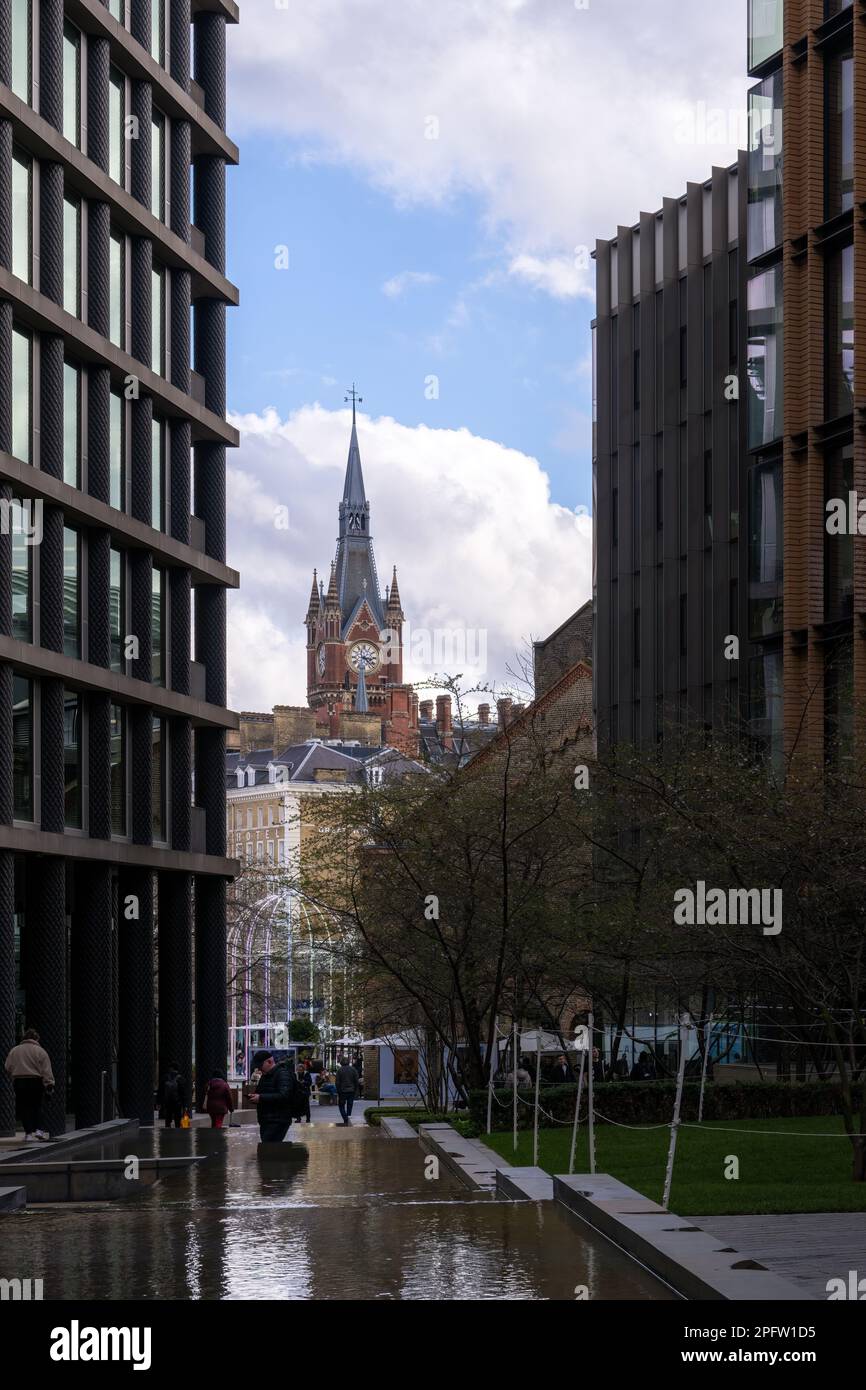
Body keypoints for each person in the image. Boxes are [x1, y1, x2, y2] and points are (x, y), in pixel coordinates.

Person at [5, 1028, 55, 1142]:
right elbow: (46, 1070)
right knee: (37, 1106)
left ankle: (28, 1133)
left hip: (19, 1082)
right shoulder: (40, 1051)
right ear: (36, 1038)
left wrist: (14, 1074)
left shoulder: (15, 1050)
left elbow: (7, 1067)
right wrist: (49, 1084)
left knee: (24, 1108)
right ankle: (39, 1130)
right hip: (35, 1081)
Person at [248, 1050, 296, 1143]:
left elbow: (284, 1095)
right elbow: (263, 1092)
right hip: (267, 1120)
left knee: (269, 1148)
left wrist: (260, 1098)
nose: (259, 1069)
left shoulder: (282, 1074)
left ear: (269, 1062)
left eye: (260, 1065)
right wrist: (256, 1097)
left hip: (278, 1120)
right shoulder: (266, 1075)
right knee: (268, 1148)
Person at [159, 1062, 187, 1128]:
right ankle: (176, 1135)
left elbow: (160, 1091)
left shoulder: (165, 1077)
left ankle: (167, 1134)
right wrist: (185, 1105)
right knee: (177, 1121)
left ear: (170, 1068)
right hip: (177, 1103)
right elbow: (183, 1093)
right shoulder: (181, 1078)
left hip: (167, 1103)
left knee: (167, 1120)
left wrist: (159, 1102)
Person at [335, 1055, 359, 1126]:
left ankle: (346, 1119)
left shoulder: (339, 1070)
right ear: (348, 1062)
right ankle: (348, 1119)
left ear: (341, 1063)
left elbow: (337, 1082)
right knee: (350, 1105)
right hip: (351, 1091)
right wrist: (355, 1090)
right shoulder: (353, 1069)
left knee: (341, 1106)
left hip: (342, 1091)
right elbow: (356, 1081)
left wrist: (338, 1091)